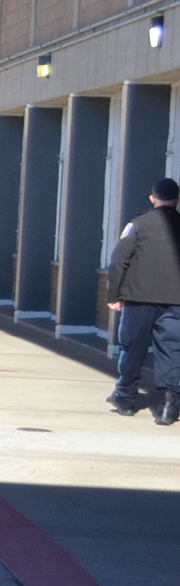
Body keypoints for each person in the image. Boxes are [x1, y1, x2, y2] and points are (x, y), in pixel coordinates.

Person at [106, 176, 180, 423]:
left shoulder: (138, 224)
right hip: (176, 301)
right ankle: (169, 406)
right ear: (177, 200)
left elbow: (119, 261)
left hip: (139, 298)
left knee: (133, 349)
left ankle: (126, 398)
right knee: (171, 351)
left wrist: (114, 295)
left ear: (152, 198)